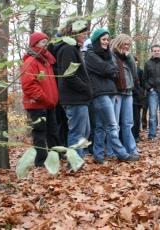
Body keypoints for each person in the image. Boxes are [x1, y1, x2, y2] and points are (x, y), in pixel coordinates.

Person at [84, 28, 137, 163]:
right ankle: (122, 154)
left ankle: (99, 155)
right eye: (103, 39)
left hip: (111, 92)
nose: (106, 42)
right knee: (113, 125)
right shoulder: (90, 54)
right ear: (97, 40)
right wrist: (109, 70)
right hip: (100, 93)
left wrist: (110, 70)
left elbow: (114, 71)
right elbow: (106, 69)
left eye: (107, 39)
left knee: (101, 126)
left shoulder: (107, 54)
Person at [51, 19, 92, 158]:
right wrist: (86, 88)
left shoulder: (74, 49)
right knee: (77, 133)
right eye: (83, 33)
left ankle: (77, 161)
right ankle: (74, 163)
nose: (85, 36)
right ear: (74, 32)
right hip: (74, 98)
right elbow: (69, 76)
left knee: (84, 131)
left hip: (80, 98)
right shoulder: (67, 49)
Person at [20, 32, 59, 167]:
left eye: (46, 42)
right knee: (40, 134)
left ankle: (55, 158)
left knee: (53, 132)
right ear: (35, 44)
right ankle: (41, 162)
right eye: (43, 42)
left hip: (49, 104)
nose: (45, 45)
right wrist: (44, 98)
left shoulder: (46, 61)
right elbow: (28, 86)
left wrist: (51, 100)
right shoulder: (30, 61)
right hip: (37, 105)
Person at [110, 34, 140, 159]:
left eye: (129, 44)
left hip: (128, 92)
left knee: (128, 123)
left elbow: (134, 73)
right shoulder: (112, 55)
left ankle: (131, 149)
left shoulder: (128, 57)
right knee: (115, 124)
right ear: (119, 43)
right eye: (125, 44)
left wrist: (130, 59)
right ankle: (113, 151)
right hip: (116, 92)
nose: (127, 46)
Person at [132, 56, 145, 142]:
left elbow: (143, 84)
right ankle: (132, 135)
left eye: (135, 61)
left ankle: (136, 135)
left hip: (137, 98)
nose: (134, 63)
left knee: (136, 117)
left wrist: (140, 93)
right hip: (129, 96)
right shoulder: (128, 70)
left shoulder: (140, 71)